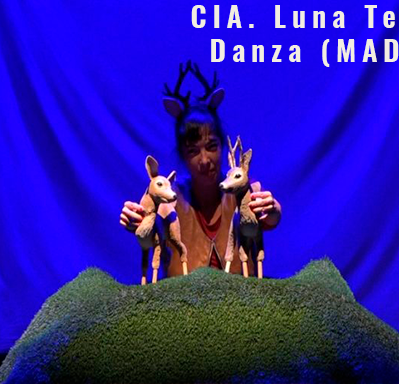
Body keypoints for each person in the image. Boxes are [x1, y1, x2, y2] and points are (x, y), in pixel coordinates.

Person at [119, 62, 281, 278]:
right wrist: (135, 220)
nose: (204, 160)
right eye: (193, 151)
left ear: (222, 147)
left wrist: (273, 210)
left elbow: (269, 217)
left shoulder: (244, 191)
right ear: (183, 155)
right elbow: (146, 222)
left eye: (211, 146)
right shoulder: (168, 199)